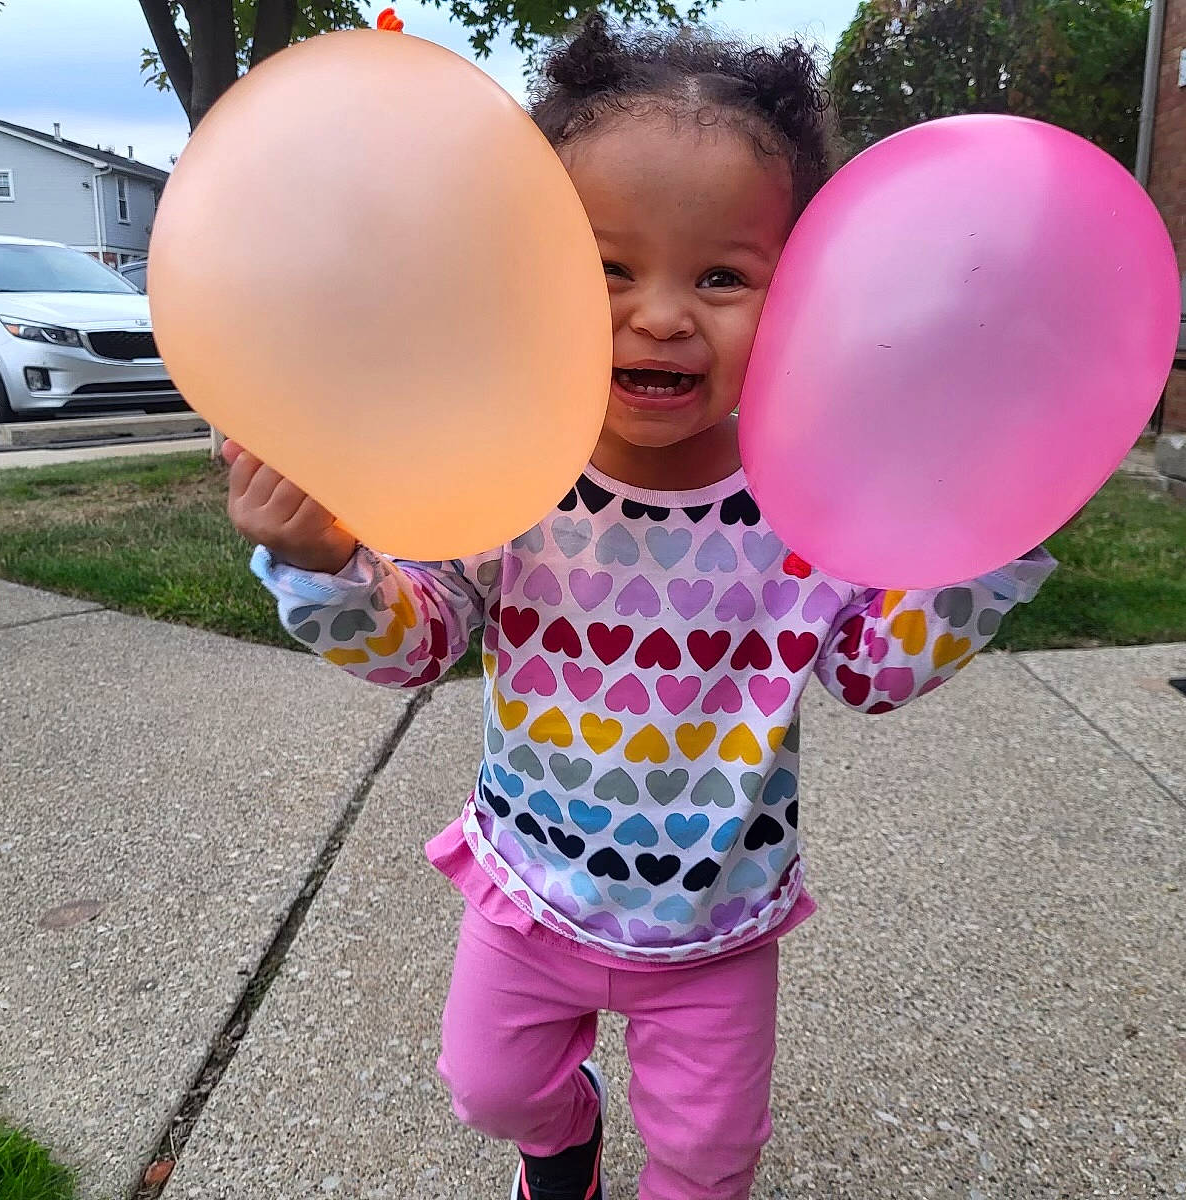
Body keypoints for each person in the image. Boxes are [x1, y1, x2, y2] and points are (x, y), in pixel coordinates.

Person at [225, 14, 1055, 1200]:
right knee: (491, 1091)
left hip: (716, 926)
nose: (660, 314)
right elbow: (421, 645)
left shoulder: (806, 496)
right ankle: (565, 1142)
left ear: (804, 290)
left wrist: (991, 550)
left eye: (720, 275)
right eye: (605, 270)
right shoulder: (515, 470)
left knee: (711, 1160)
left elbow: (870, 669)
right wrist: (324, 560)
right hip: (529, 895)